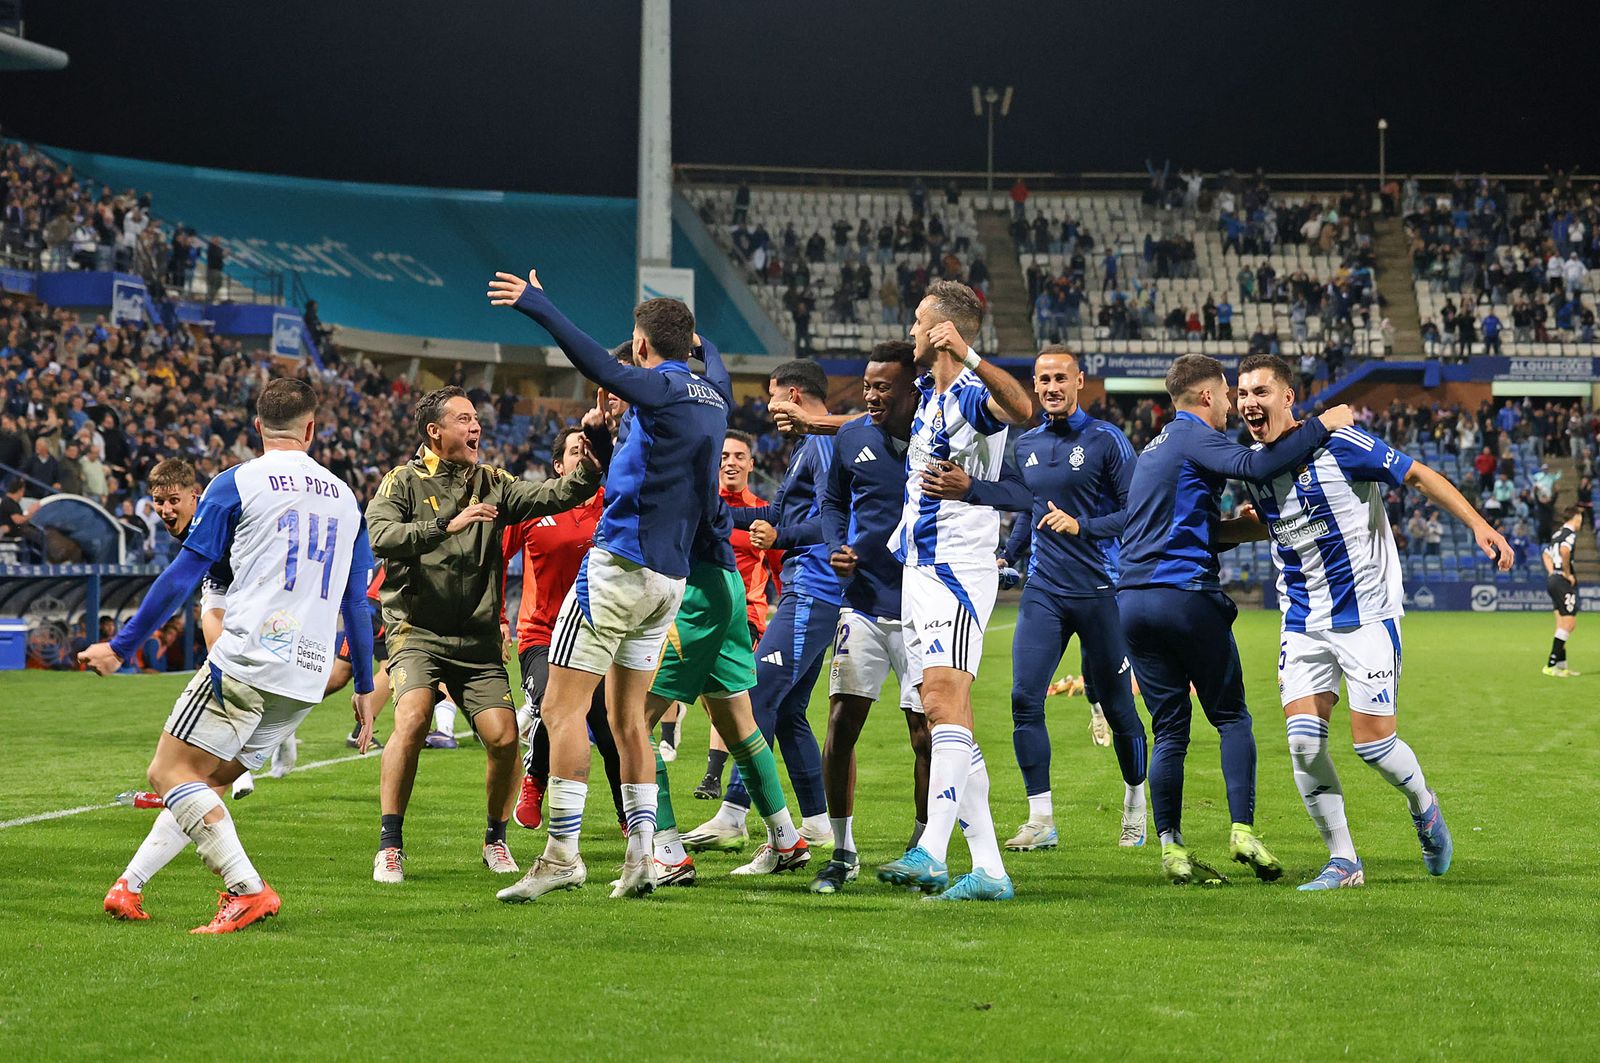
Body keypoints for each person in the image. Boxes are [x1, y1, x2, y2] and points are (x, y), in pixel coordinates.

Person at [85, 378, 375, 933]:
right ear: (313, 429)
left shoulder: (236, 482)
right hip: (308, 677)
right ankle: (129, 885)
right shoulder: (345, 497)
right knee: (208, 782)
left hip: (250, 659)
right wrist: (363, 688)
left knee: (169, 771)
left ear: (257, 426)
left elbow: (181, 576)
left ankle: (247, 890)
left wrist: (122, 645)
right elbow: (357, 604)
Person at [489, 269, 729, 902]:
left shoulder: (662, 389)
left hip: (619, 569)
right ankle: (642, 858)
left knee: (562, 710)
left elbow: (596, 360)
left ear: (644, 348)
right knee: (629, 724)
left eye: (636, 342)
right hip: (667, 582)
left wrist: (540, 305)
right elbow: (689, 381)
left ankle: (562, 857)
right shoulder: (715, 394)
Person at [1231, 354, 1510, 889]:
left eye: (1260, 391)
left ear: (1288, 398)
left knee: (1373, 746)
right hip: (1301, 621)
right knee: (1304, 745)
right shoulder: (1254, 467)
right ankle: (1344, 861)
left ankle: (1423, 804)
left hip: (1366, 616)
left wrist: (1479, 524)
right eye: (1242, 393)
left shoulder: (1342, 445)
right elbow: (1276, 527)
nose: (1249, 403)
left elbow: (1419, 475)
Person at [1116, 354, 1353, 885]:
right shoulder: (1194, 435)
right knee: (1231, 718)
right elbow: (1256, 466)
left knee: (1170, 728)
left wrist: (1241, 528)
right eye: (1227, 394)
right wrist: (1322, 425)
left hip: (1132, 602)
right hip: (1184, 597)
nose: (1232, 404)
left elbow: (1181, 530)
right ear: (1206, 397)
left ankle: (1172, 847)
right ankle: (1242, 829)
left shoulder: (1154, 448)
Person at [365, 384, 601, 884]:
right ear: (435, 431)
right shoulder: (401, 483)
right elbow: (381, 537)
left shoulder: (494, 482)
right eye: (465, 419)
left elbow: (555, 493)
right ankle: (390, 845)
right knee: (412, 719)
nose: (477, 427)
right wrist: (446, 525)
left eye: (477, 418)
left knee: (503, 736)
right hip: (417, 631)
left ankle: (496, 838)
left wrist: (592, 460)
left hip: (476, 641)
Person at [875, 279, 1036, 901]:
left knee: (944, 702)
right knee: (950, 717)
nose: (912, 332)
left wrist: (969, 355)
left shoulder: (970, 395)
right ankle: (991, 869)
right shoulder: (928, 397)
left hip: (954, 575)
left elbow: (1022, 410)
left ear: (944, 331)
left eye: (920, 323)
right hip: (917, 570)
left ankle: (932, 851)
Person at [644, 334, 814, 886]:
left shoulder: (675, 451)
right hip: (726, 596)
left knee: (630, 722)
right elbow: (716, 382)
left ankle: (666, 852)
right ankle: (787, 839)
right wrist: (708, 345)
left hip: (694, 598)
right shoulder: (706, 424)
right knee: (740, 721)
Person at [977, 345, 1150, 850]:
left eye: (1060, 378)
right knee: (1023, 698)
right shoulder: (1025, 443)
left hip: (1102, 593)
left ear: (1079, 382)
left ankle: (1135, 804)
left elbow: (1136, 513)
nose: (1050, 387)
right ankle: (1041, 819)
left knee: (1120, 708)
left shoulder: (1107, 441)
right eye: (1042, 379)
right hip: (1044, 592)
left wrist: (1084, 526)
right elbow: (1033, 508)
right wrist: (1008, 554)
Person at [682, 360, 840, 852]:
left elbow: (836, 522)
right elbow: (778, 511)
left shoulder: (825, 445)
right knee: (790, 712)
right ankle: (816, 821)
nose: (768, 409)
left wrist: (783, 536)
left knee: (756, 696)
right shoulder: (807, 448)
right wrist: (719, 512)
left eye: (771, 398)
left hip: (815, 588)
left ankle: (732, 814)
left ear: (793, 395)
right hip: (806, 587)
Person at [808, 340, 934, 893]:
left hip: (924, 607)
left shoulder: (940, 436)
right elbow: (832, 502)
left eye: (883, 386)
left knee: (925, 735)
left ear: (913, 388)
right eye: (867, 385)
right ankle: (843, 850)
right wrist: (837, 543)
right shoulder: (852, 435)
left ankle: (922, 844)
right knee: (839, 726)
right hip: (861, 602)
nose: (871, 395)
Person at [503, 421, 627, 833]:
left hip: (600, 635)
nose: (583, 455)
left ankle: (629, 818)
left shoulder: (615, 506)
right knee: (552, 704)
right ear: (558, 466)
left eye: (589, 449)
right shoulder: (535, 507)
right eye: (575, 450)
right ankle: (536, 781)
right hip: (543, 635)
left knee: (611, 733)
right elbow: (495, 561)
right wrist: (499, 618)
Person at [691, 428, 783, 800]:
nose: (731, 463)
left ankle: (715, 776)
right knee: (710, 697)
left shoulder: (762, 514)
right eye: (725, 456)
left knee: (727, 693)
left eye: (739, 457)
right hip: (697, 614)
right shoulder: (700, 508)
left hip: (745, 616)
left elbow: (778, 562)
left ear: (751, 464)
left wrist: (788, 598)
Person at [1542, 505, 1583, 678]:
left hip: (1553, 580)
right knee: (1569, 624)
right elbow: (1565, 551)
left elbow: (1545, 554)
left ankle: (1562, 666)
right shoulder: (1570, 534)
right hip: (1562, 581)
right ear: (1574, 517)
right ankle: (1550, 665)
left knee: (1561, 625)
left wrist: (1552, 572)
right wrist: (1566, 574)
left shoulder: (1557, 534)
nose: (1581, 521)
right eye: (1580, 517)